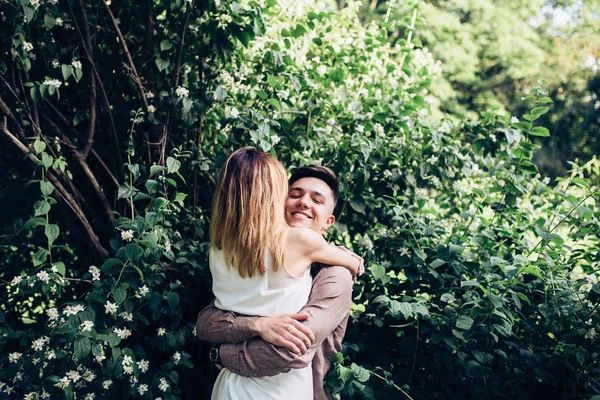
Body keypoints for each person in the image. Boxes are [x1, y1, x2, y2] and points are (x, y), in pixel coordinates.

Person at [207, 148, 363, 400]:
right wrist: (257, 325)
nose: (303, 202)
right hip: (279, 390)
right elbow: (355, 264)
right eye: (293, 193)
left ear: (328, 221)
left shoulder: (218, 249)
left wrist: (220, 354)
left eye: (317, 200)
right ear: (276, 199)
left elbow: (294, 349)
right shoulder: (297, 240)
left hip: (232, 387)